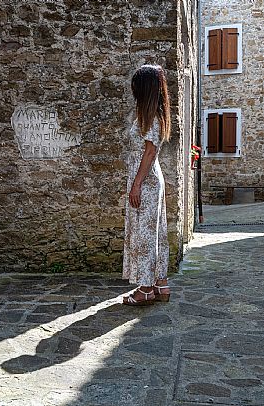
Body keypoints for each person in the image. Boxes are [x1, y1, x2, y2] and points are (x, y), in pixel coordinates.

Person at [122, 64, 171, 306]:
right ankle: (161, 283)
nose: (133, 90)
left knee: (145, 234)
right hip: (152, 179)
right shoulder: (156, 113)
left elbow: (150, 152)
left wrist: (136, 184)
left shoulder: (151, 116)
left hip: (146, 180)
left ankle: (145, 289)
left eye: (136, 86)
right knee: (156, 233)